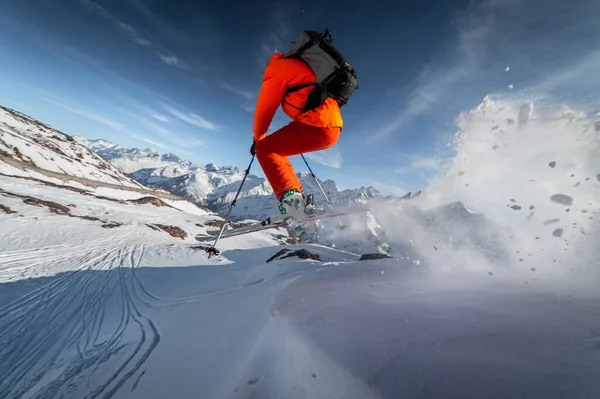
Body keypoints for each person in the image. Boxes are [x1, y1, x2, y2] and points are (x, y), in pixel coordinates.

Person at [251, 48, 344, 224]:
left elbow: (265, 108)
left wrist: (258, 137)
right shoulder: (305, 68)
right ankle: (297, 202)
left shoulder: (277, 69)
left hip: (317, 124)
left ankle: (293, 204)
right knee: (278, 152)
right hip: (331, 125)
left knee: (264, 148)